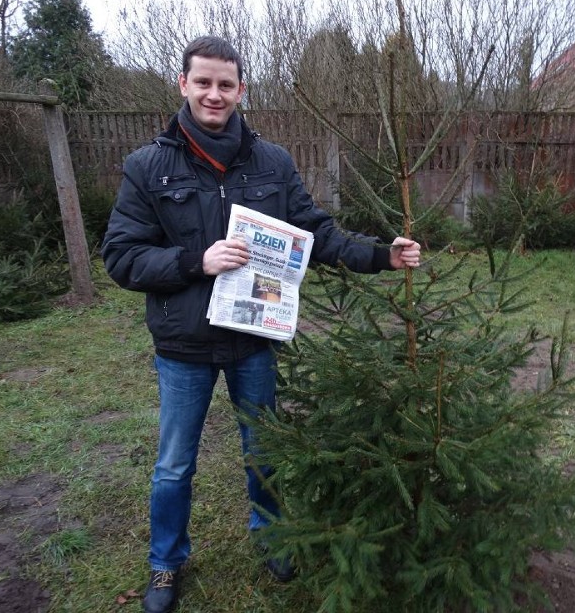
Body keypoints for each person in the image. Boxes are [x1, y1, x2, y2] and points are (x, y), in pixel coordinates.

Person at [101, 35, 421, 613]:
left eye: (226, 84)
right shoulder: (149, 166)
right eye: (203, 82)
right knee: (174, 463)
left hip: (253, 339)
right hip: (184, 344)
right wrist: (195, 261)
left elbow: (315, 232)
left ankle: (271, 533)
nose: (214, 94)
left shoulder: (271, 161)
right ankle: (165, 562)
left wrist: (381, 254)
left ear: (241, 89)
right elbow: (121, 257)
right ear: (183, 84)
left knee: (265, 448)